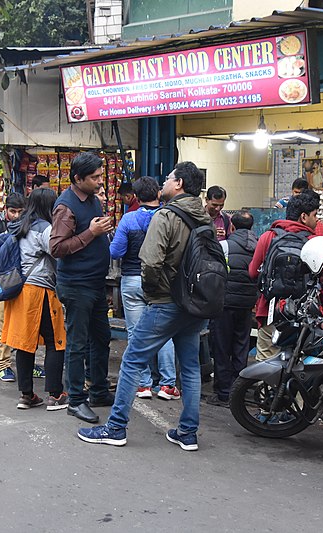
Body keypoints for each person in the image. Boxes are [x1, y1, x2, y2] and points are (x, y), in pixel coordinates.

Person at [77, 161, 210, 450]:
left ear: (179, 185)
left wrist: (153, 294)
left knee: (133, 360)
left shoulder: (168, 216)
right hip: (195, 303)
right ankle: (187, 432)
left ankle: (115, 427)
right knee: (188, 366)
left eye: (169, 178)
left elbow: (150, 262)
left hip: (166, 302)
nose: (164, 181)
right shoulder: (205, 217)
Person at [50, 152, 114, 424]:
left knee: (101, 337)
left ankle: (98, 390)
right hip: (77, 285)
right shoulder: (66, 207)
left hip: (96, 283)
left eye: (101, 176)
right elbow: (57, 248)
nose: (100, 182)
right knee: (77, 343)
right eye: (95, 177)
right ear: (78, 179)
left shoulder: (92, 201)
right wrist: (92, 234)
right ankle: (76, 399)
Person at [109, 176, 180, 401]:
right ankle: (168, 384)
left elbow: (116, 252)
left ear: (136, 197)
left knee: (136, 332)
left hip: (132, 280)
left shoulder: (129, 220)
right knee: (163, 332)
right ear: (158, 195)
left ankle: (143, 384)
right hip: (161, 282)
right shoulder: (168, 217)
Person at [1, 188, 69, 410]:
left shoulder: (19, 225)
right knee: (56, 340)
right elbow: (57, 251)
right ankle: (55, 394)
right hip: (40, 291)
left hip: (19, 290)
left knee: (24, 343)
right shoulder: (44, 228)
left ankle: (26, 395)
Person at [249, 191, 323, 361]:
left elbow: (253, 272)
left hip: (270, 314)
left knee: (266, 367)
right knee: (298, 366)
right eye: (315, 215)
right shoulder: (314, 243)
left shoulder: (268, 237)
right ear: (304, 217)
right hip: (304, 319)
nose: (316, 220)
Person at [0, 193, 45, 383]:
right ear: (5, 210)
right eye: (13, 211)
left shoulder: (27, 224)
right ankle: (3, 364)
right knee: (2, 322)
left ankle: (27, 363)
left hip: (22, 281)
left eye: (20, 212)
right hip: (2, 280)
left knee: (25, 323)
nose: (16, 216)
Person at [206, 211, 258, 408]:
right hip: (247, 305)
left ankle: (223, 392)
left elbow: (215, 272)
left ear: (232, 227)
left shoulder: (224, 246)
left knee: (221, 347)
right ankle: (238, 390)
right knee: (241, 347)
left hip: (224, 304)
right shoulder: (259, 245)